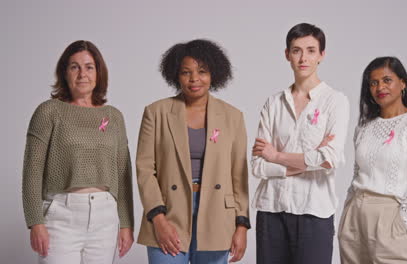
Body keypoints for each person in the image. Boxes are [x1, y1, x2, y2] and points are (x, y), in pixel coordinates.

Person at [136, 39, 250, 264]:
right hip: (168, 212)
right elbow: (145, 170)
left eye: (202, 71)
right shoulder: (156, 112)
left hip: (217, 214)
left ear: (214, 74)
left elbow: (239, 176)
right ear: (175, 76)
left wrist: (242, 225)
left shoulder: (232, 116)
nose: (194, 79)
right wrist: (158, 220)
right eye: (186, 72)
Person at [22, 40, 134, 264]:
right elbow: (32, 173)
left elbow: (123, 175)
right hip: (61, 216)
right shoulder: (49, 112)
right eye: (74, 66)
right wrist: (36, 222)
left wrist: (126, 224)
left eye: (89, 67)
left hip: (105, 217)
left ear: (98, 72)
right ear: (64, 72)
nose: (82, 73)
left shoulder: (114, 116)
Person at [251, 23, 350, 264]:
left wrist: (276, 157)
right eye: (296, 50)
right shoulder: (273, 104)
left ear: (322, 55)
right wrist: (310, 159)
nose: (303, 58)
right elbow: (257, 166)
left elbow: (330, 158)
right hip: (271, 209)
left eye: (311, 50)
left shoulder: (335, 102)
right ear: (287, 55)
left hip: (314, 212)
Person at [338, 57, 407, 264]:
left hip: (392, 213)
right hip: (356, 214)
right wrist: (348, 212)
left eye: (386, 80)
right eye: (373, 83)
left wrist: (405, 222)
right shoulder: (364, 127)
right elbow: (358, 173)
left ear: (403, 83)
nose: (380, 87)